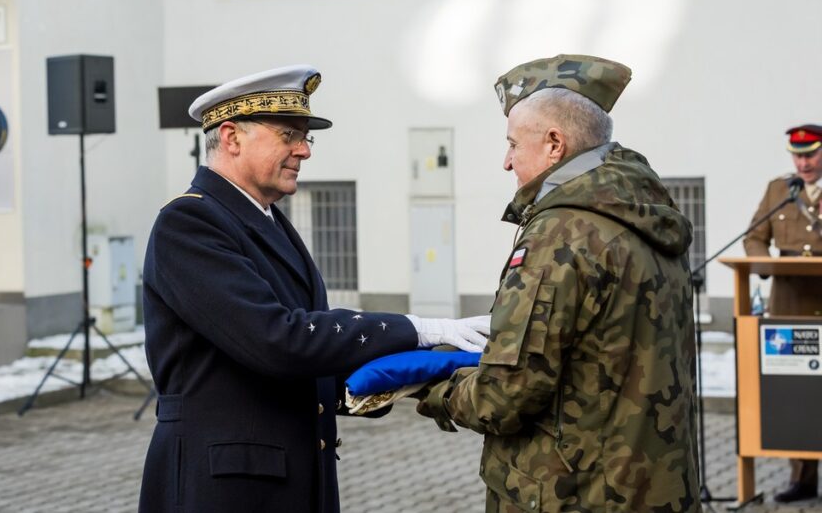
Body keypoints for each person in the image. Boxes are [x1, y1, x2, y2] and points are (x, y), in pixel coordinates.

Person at [139, 65, 489, 513]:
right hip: (224, 487)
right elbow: (278, 339)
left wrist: (396, 376)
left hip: (283, 478)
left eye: (306, 137)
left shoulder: (264, 218)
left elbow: (306, 340)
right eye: (288, 134)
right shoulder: (189, 223)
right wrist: (416, 329)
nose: (303, 151)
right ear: (231, 137)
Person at [417, 54, 701, 512]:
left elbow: (506, 395)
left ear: (554, 143)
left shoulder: (562, 235)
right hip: (653, 488)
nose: (506, 162)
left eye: (513, 144)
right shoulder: (641, 214)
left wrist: (438, 389)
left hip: (575, 494)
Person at [743, 123, 822, 503]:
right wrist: (763, 264)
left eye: (811, 154)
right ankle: (803, 479)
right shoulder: (780, 189)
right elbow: (755, 235)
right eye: (798, 155)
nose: (803, 162)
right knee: (798, 391)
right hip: (790, 301)